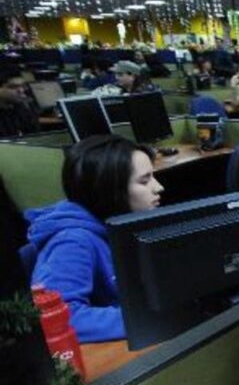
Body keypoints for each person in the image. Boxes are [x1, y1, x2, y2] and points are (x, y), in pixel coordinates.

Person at [24, 135, 164, 342]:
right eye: (144, 180)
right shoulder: (72, 242)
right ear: (110, 190)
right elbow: (60, 318)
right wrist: (153, 318)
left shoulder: (121, 222)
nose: (159, 187)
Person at [0, 70, 40, 138]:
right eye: (13, 87)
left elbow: (35, 135)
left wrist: (30, 109)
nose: (21, 90)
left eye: (23, 86)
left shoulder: (21, 107)